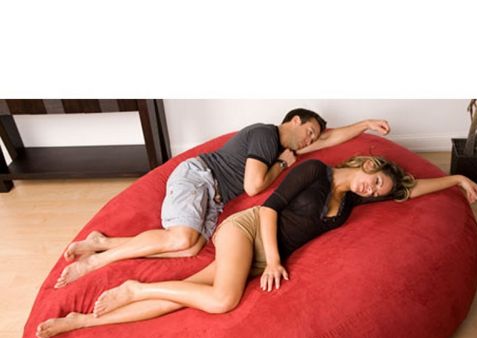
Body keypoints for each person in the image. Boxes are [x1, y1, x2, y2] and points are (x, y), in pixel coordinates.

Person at [36, 155, 477, 338]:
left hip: (256, 257)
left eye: (378, 192)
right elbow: (268, 209)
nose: (372, 190)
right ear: (367, 164)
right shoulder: (316, 171)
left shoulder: (350, 200)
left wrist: (458, 178)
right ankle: (136, 287)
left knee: (182, 298)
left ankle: (82, 322)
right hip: (247, 232)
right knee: (222, 300)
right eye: (375, 181)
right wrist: (273, 260)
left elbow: (409, 189)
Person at [54, 113, 391, 288]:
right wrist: (282, 164)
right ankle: (97, 262)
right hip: (198, 178)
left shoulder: (285, 147)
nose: (311, 140)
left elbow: (331, 138)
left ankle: (102, 242)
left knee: (188, 250)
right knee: (181, 239)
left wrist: (365, 124)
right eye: (309, 133)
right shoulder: (266, 135)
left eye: (314, 138)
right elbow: (253, 187)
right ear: (295, 121)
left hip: (212, 198)